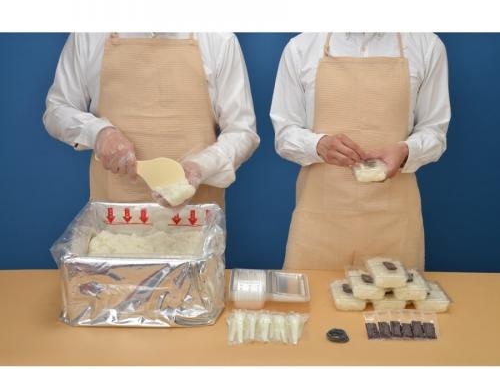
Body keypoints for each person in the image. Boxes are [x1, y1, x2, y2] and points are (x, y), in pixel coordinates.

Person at [270, 33, 451, 270]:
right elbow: (284, 133)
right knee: (311, 294)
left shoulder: (426, 46)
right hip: (319, 225)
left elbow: (434, 131)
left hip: (394, 225)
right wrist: (318, 145)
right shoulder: (301, 48)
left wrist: (406, 151)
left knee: (397, 295)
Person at [43, 33, 259, 207]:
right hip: (114, 216)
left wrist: (201, 167)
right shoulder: (88, 35)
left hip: (195, 217)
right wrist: (98, 133)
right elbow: (57, 109)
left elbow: (242, 131)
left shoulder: (218, 38)